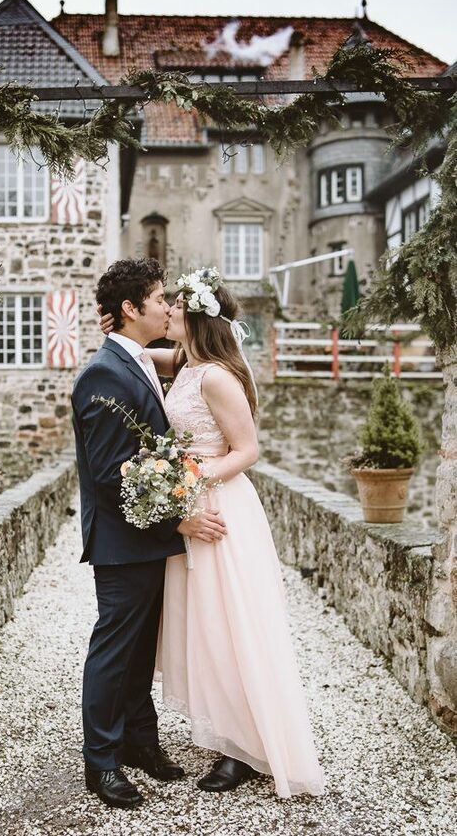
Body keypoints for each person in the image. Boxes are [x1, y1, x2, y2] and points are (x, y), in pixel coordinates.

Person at [100, 266, 325, 799]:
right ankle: (228, 726)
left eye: (175, 306)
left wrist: (191, 478)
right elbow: (132, 356)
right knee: (205, 624)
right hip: (192, 507)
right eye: (164, 304)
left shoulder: (219, 376)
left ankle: (244, 749)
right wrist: (111, 328)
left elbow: (248, 451)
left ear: (197, 317)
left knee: (233, 623)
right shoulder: (185, 363)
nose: (167, 311)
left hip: (220, 509)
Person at [71, 259, 227, 810]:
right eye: (159, 298)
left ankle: (141, 742)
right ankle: (103, 763)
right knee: (114, 651)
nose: (168, 306)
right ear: (132, 309)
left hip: (147, 538)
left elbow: (200, 358)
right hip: (122, 540)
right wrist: (179, 518)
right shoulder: (104, 373)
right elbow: (113, 474)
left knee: (140, 651)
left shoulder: (135, 360)